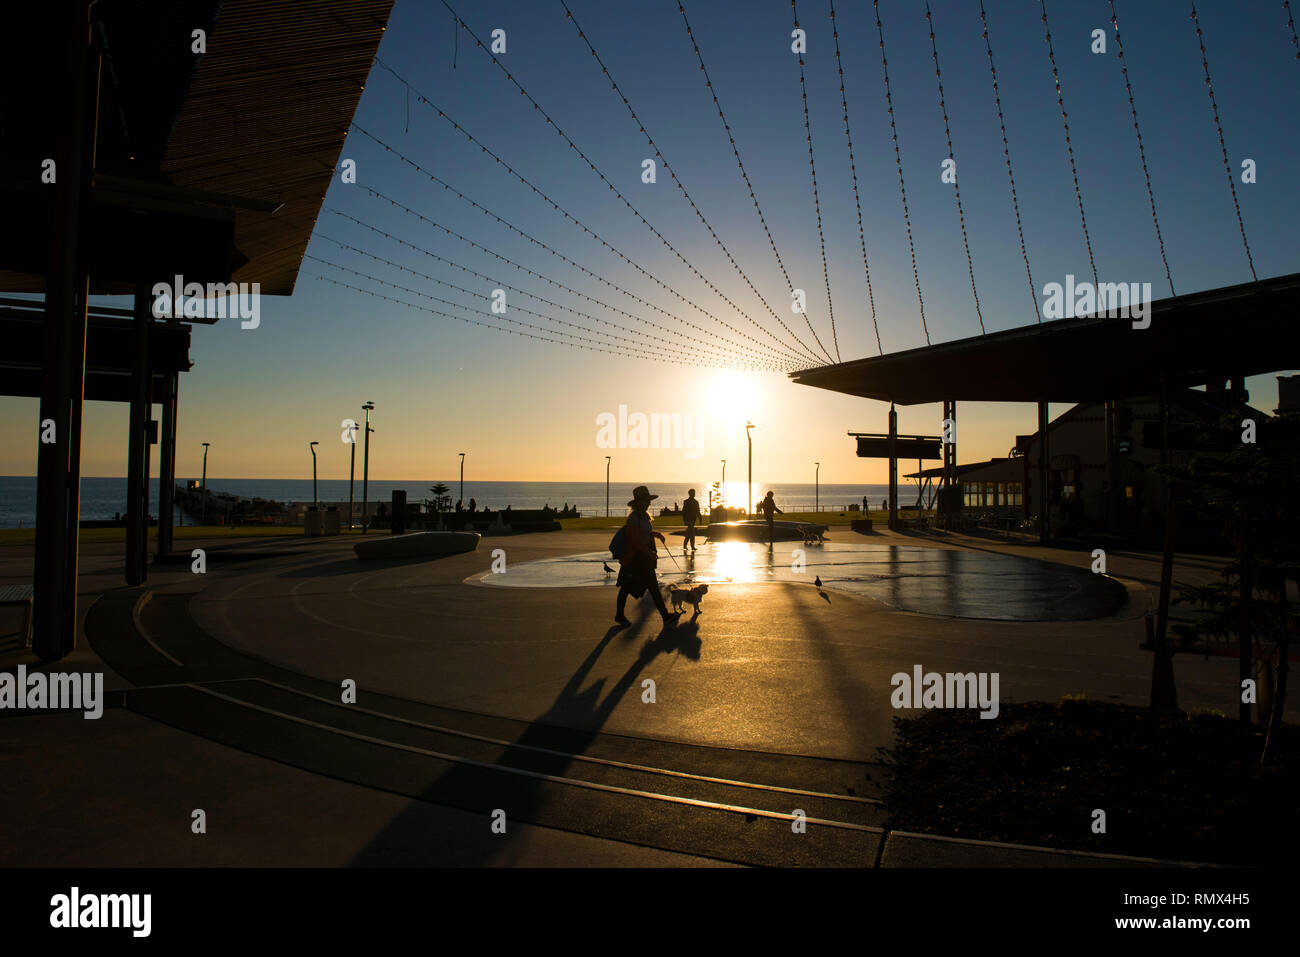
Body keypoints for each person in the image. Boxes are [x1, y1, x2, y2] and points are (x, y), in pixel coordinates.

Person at [615, 485, 678, 628]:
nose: (649, 503)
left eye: (649, 501)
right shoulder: (633, 518)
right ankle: (665, 617)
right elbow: (634, 540)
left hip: (643, 557)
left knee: (630, 587)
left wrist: (656, 534)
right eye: (646, 501)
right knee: (642, 587)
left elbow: (644, 534)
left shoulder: (644, 516)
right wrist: (648, 552)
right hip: (637, 558)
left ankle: (620, 615)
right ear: (639, 502)